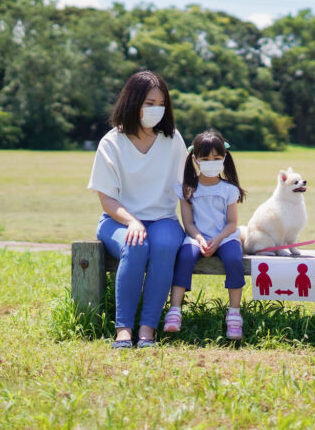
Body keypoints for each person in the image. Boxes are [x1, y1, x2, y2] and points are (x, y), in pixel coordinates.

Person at [88, 70, 187, 349]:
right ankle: (123, 328)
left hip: (163, 219)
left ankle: (147, 328)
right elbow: (107, 200)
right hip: (117, 220)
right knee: (136, 245)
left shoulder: (173, 140)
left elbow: (186, 190)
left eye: (160, 104)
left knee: (165, 245)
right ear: (132, 103)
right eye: (148, 103)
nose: (156, 110)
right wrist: (132, 222)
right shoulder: (111, 142)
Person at [163, 130, 247, 340]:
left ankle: (234, 313)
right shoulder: (187, 189)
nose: (211, 162)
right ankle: (175, 310)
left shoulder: (229, 190)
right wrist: (200, 239)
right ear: (195, 159)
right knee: (184, 257)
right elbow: (189, 223)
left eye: (217, 158)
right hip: (196, 237)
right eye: (205, 158)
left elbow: (232, 223)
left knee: (234, 259)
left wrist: (217, 240)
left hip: (225, 237)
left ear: (224, 158)